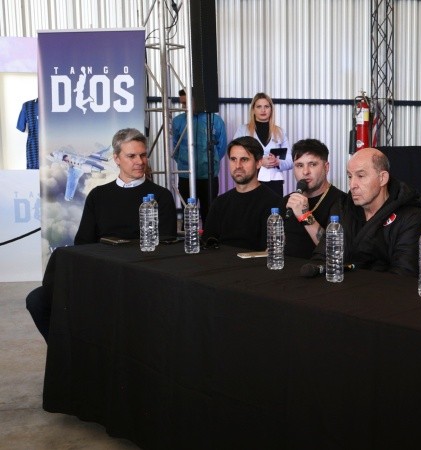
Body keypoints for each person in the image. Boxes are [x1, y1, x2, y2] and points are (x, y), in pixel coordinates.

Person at [28, 128, 177, 342]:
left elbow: (166, 244)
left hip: (141, 278)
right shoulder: (99, 195)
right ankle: (67, 355)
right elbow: (83, 243)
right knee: (37, 300)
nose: (139, 161)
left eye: (143, 155)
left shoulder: (161, 197)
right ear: (116, 158)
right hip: (101, 274)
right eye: (131, 156)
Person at [311, 148, 421, 276]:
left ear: (382, 178)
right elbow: (322, 257)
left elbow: (404, 272)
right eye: (350, 176)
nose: (352, 184)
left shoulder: (409, 215)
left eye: (360, 176)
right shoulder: (343, 208)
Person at [202, 136, 282, 251]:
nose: (238, 165)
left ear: (259, 163)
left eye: (244, 159)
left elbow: (270, 252)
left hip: (255, 266)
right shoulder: (219, 203)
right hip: (220, 265)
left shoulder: (273, 203)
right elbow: (207, 244)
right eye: (233, 159)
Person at [281, 139, 344, 258]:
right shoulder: (287, 201)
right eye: (299, 165)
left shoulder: (342, 201)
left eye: (312, 164)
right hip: (284, 272)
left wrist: (305, 216)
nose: (305, 172)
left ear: (326, 167)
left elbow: (334, 251)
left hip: (319, 271)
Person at [172, 88, 227, 222]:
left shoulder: (215, 120)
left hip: (208, 176)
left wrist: (210, 162)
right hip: (186, 176)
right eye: (182, 103)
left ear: (197, 101)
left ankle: (208, 241)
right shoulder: (178, 121)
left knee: (210, 215)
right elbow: (175, 147)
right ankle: (188, 242)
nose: (183, 107)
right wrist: (184, 162)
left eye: (185, 103)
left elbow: (221, 147)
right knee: (188, 217)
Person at [232, 93, 291, 197]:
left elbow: (290, 162)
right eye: (259, 107)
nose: (263, 110)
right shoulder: (243, 130)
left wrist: (278, 162)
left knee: (274, 211)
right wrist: (260, 161)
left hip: (275, 182)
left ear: (271, 109)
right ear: (253, 110)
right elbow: (235, 155)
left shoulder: (280, 132)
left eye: (266, 107)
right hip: (251, 181)